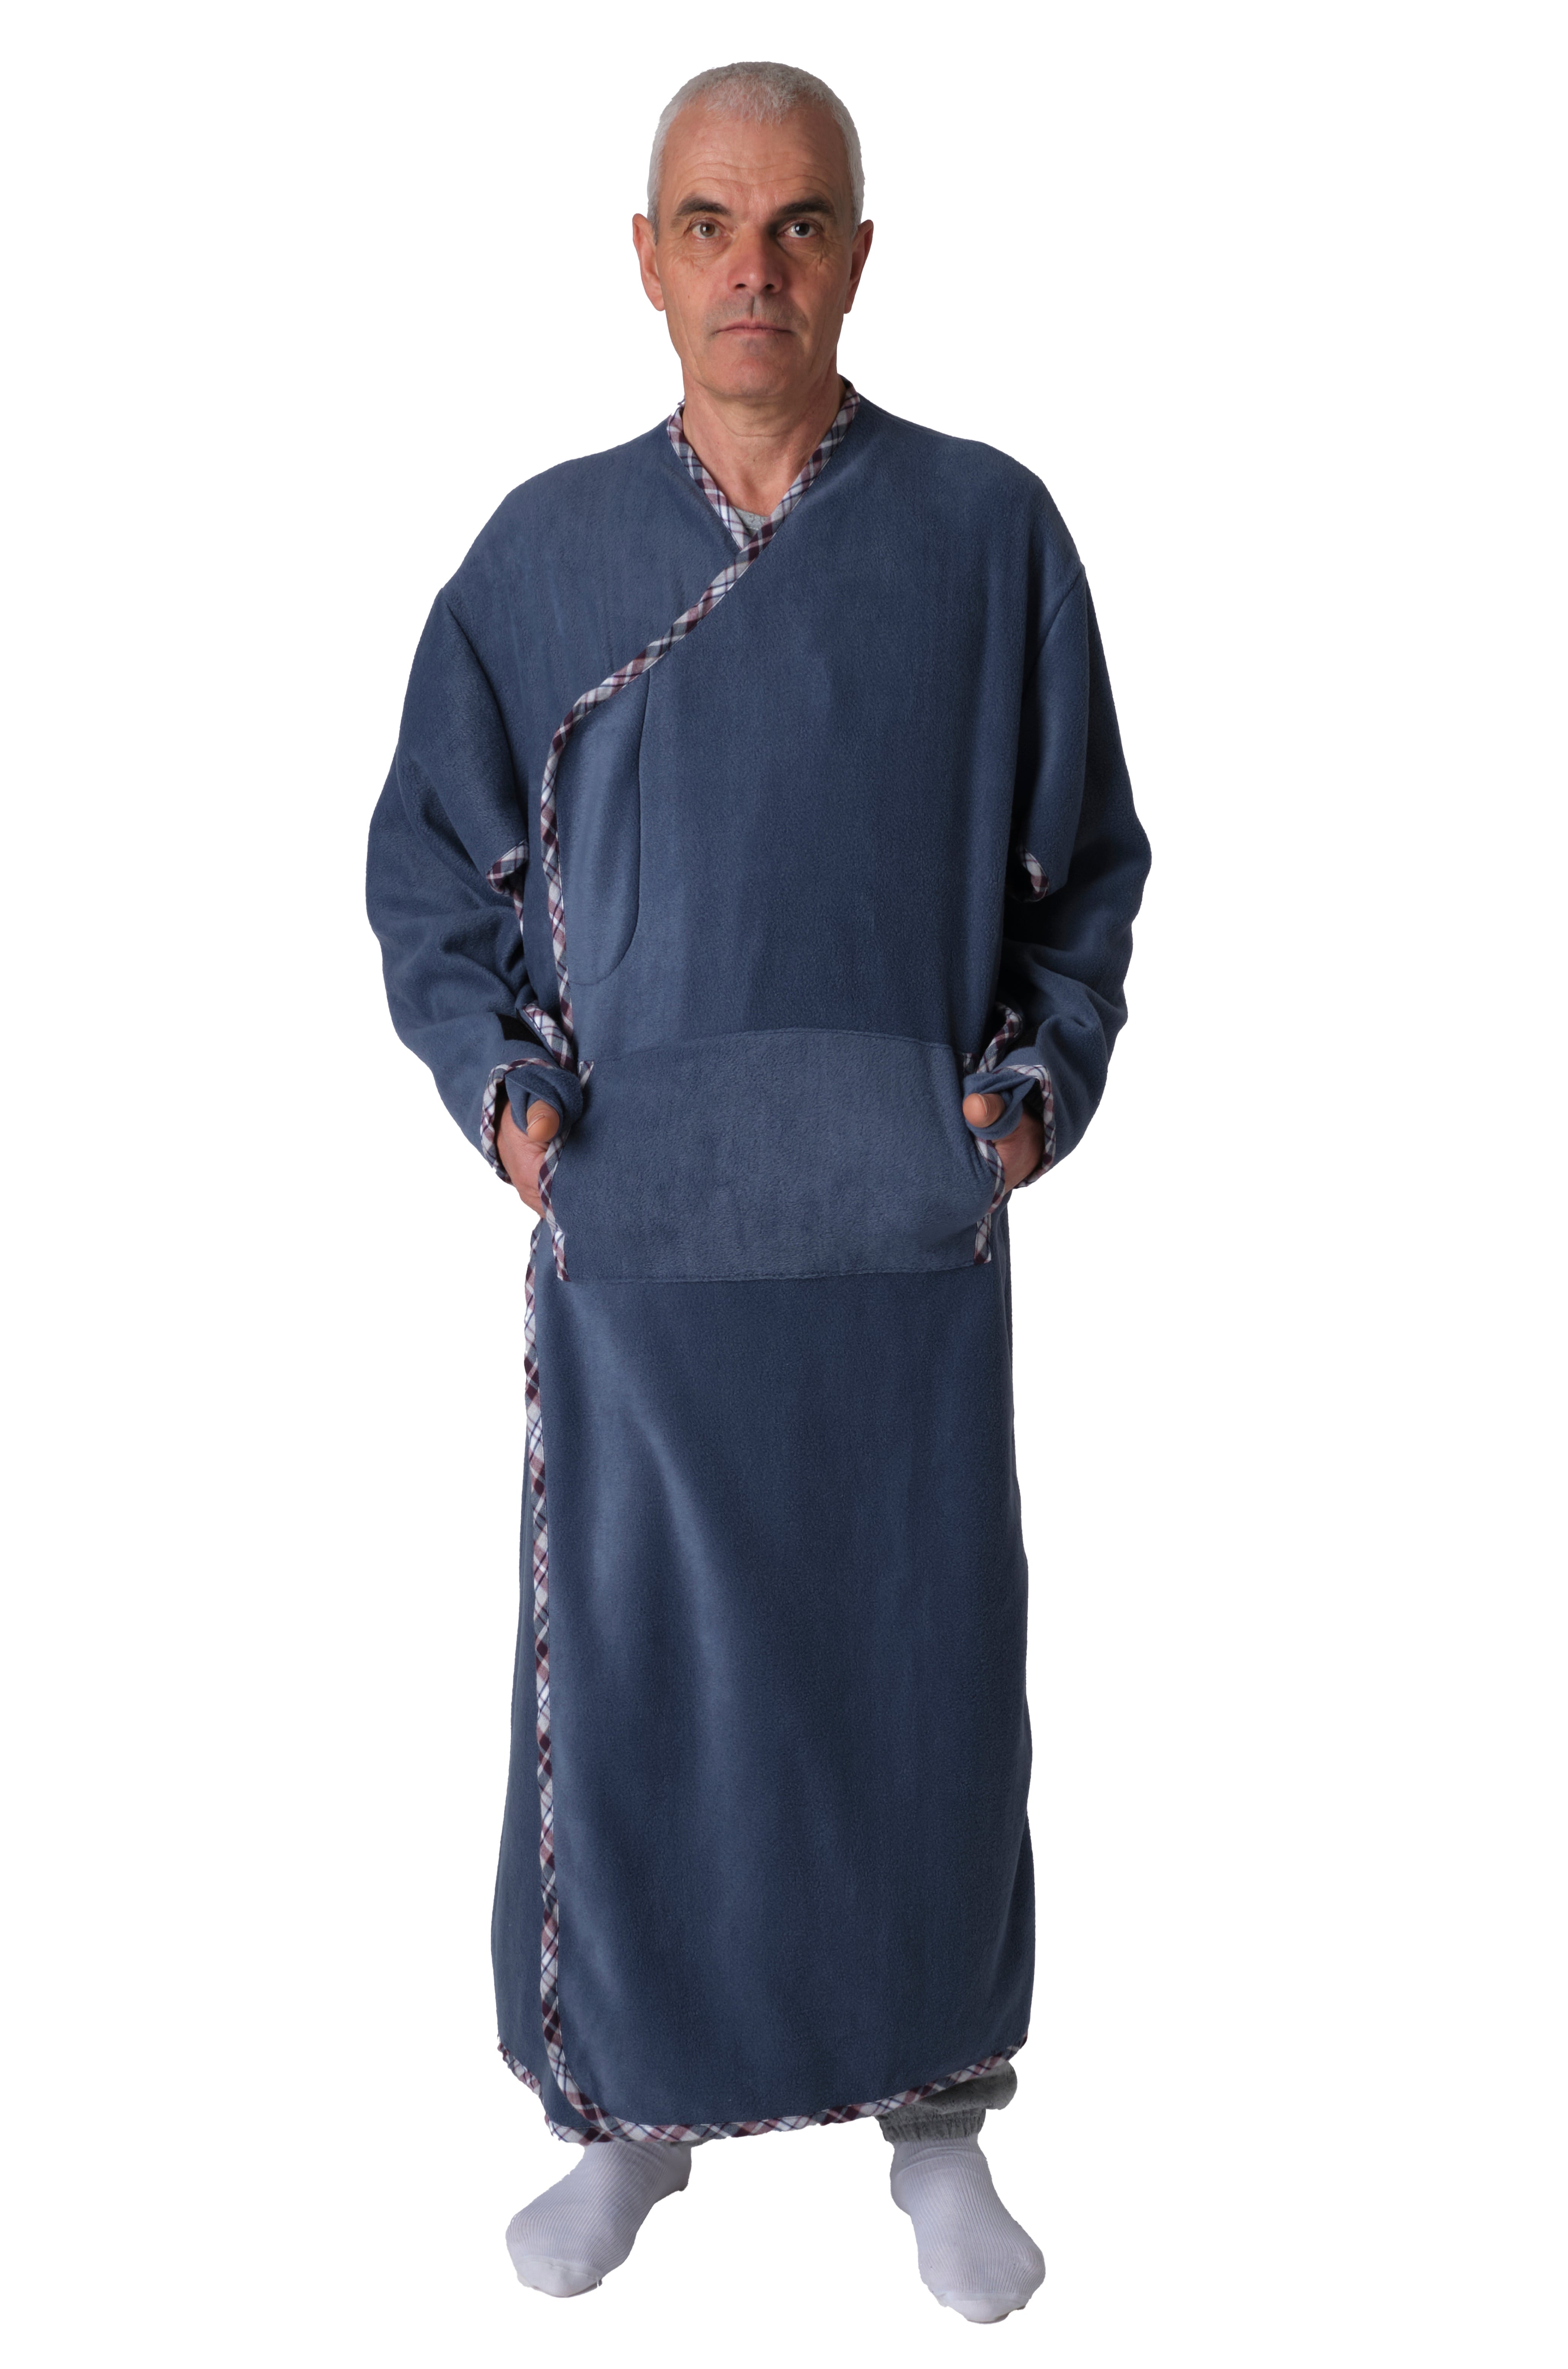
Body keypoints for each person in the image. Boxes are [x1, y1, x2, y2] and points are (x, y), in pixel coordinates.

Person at [367, 59, 1148, 2325]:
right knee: (643, 1682)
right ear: (645, 257)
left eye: (800, 222)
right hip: (646, 1237)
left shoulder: (987, 534)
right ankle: (633, 2109)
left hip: (899, 1233)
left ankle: (940, 2115)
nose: (754, 268)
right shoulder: (543, 560)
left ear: (860, 255)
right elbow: (427, 874)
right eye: (709, 223)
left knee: (919, 1670)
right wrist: (509, 1099)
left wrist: (1019, 1103)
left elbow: (1087, 873)